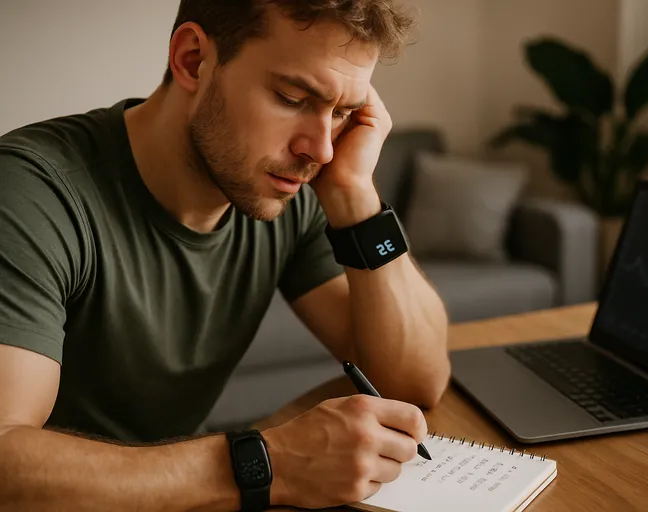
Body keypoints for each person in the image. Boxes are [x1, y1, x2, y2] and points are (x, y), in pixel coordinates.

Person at [0, 1, 451, 510]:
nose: (321, 149)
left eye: (343, 112)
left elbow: (413, 381)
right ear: (193, 60)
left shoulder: (287, 191)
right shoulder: (30, 193)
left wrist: (354, 196)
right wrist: (266, 462)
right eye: (293, 97)